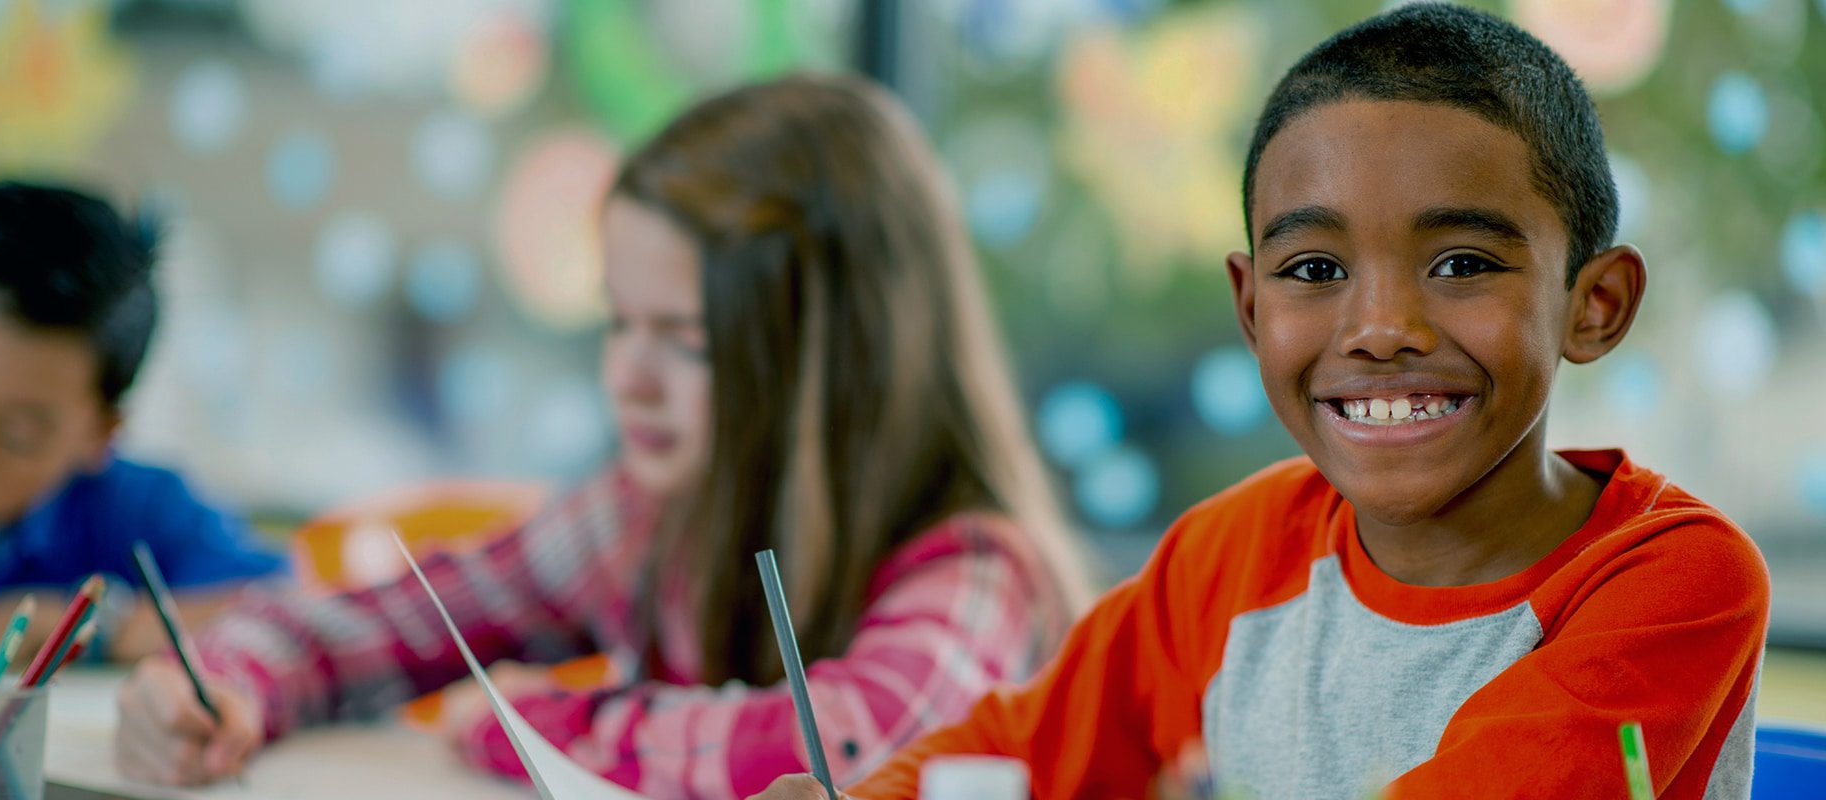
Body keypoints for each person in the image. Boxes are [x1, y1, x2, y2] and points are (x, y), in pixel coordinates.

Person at [754, 5, 1767, 799]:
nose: (1381, 326)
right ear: (1249, 307)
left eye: (1461, 262)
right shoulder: (1232, 552)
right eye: (1315, 266)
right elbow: (1020, 747)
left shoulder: (1678, 581)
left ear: (1595, 304)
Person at [114, 74, 1092, 799]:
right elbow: (372, 624)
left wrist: (532, 722)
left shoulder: (975, 568)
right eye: (620, 322)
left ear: (840, 366)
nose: (626, 375)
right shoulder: (646, 517)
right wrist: (221, 684)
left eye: (685, 340)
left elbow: (843, 748)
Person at [0, 181, 286, 666]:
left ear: (101, 432)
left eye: (19, 434)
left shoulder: (134, 509)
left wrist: (69, 624)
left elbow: (302, 615)